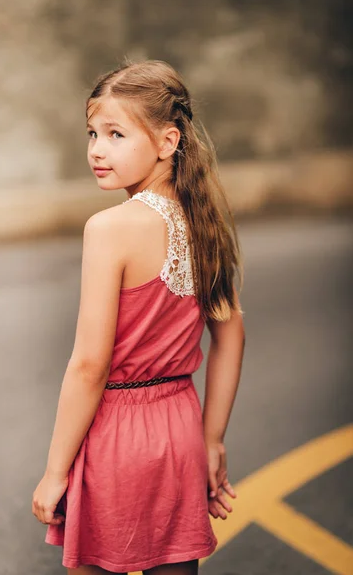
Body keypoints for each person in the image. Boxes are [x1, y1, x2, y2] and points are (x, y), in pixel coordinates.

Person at [32, 58, 246, 575]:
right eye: (92, 133)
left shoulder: (109, 229)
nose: (96, 150)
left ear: (168, 142)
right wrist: (211, 439)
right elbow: (231, 333)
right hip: (178, 431)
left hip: (117, 437)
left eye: (116, 134)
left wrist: (55, 470)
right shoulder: (205, 220)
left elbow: (89, 365)